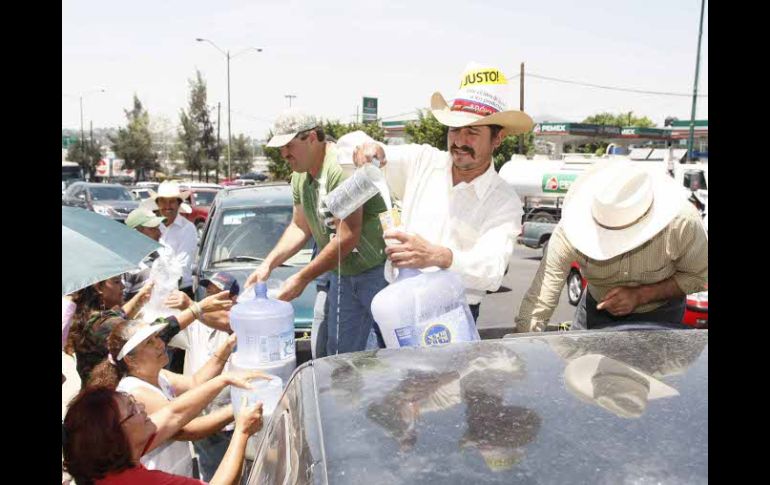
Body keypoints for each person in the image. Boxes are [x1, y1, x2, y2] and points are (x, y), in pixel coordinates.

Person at [348, 62, 532, 321]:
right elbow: (357, 148)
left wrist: (438, 256)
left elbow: (492, 270)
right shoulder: (423, 161)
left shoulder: (504, 202)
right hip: (399, 305)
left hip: (453, 314)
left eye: (472, 132)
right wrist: (366, 148)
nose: (459, 141)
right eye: (454, 129)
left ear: (497, 138)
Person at [244, 109, 390, 356]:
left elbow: (348, 235)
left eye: (289, 145)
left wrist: (301, 278)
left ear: (312, 138)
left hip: (379, 272)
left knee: (388, 352)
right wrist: (268, 265)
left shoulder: (340, 168)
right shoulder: (300, 177)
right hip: (344, 274)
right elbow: (299, 226)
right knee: (341, 358)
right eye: (280, 148)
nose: (284, 154)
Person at [515, 161, 708, 331]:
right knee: (580, 370)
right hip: (594, 311)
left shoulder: (681, 222)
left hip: (663, 313)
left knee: (654, 373)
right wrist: (522, 351)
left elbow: (699, 277)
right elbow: (540, 300)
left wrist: (642, 295)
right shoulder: (570, 229)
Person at [87, 317, 258, 477]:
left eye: (157, 337)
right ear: (130, 360)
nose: (160, 344)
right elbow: (188, 429)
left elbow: (195, 382)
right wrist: (239, 407)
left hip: (176, 472)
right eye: (149, 342)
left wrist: (227, 346)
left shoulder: (159, 375)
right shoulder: (136, 392)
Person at [62, 374, 265, 484]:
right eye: (132, 408)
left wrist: (224, 380)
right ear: (115, 436)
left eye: (133, 400)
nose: (142, 407)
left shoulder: (112, 459)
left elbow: (173, 414)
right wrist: (242, 432)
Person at [164, 272, 241, 481]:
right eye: (208, 293)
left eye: (217, 295)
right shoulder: (196, 323)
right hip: (200, 416)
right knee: (210, 474)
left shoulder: (239, 324)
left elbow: (227, 322)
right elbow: (162, 331)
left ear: (233, 300)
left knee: (234, 473)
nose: (210, 299)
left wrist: (193, 306)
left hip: (229, 420)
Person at [71, 287, 233, 385]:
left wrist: (140, 298)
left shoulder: (97, 317)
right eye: (116, 282)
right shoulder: (102, 324)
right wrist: (196, 309)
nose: (160, 345)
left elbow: (120, 315)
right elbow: (153, 330)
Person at [152, 181, 198, 298]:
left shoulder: (187, 228)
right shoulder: (152, 227)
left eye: (172, 201)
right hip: (154, 290)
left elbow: (182, 266)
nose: (167, 206)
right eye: (163, 201)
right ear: (158, 204)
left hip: (179, 291)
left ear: (179, 204)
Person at [123, 208, 165, 300]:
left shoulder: (157, 257)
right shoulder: (127, 265)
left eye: (158, 228)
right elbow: (119, 305)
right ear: (136, 233)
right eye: (153, 229)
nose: (159, 233)